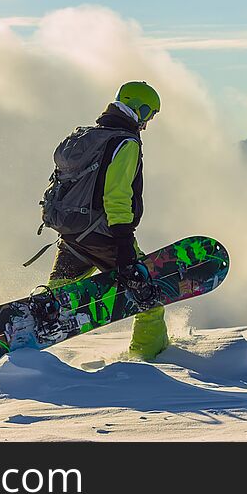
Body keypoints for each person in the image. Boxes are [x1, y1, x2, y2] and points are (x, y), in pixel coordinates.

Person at [46, 81, 169, 360]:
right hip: (105, 236)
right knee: (150, 299)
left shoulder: (90, 138)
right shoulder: (124, 143)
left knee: (55, 296)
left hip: (72, 233)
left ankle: (26, 329)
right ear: (138, 108)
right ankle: (150, 361)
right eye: (149, 113)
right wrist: (124, 244)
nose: (148, 122)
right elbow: (117, 196)